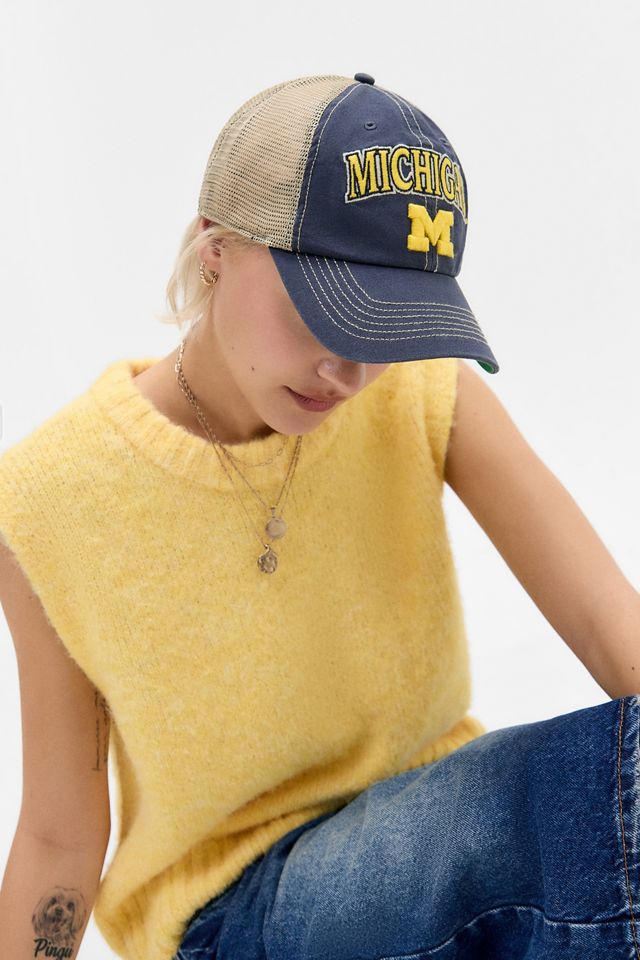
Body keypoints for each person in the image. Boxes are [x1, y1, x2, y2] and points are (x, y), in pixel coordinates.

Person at [0, 71, 638, 960]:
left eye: (385, 327)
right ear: (215, 245)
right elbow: (59, 835)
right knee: (543, 800)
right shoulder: (52, 493)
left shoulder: (419, 388)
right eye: (321, 311)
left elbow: (611, 627)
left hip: (444, 864)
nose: (348, 371)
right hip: (239, 914)